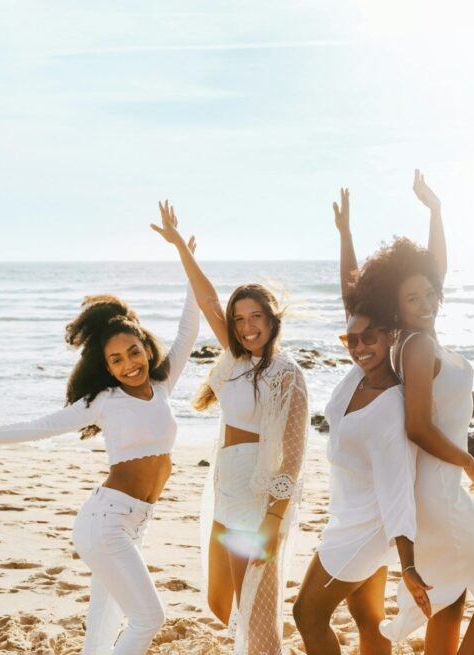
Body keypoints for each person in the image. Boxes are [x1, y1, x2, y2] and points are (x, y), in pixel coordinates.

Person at [0, 211, 200, 655]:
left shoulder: (163, 385)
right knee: (150, 618)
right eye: (116, 360)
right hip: (105, 522)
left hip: (132, 524)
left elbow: (190, 327)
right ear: (105, 367)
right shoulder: (104, 402)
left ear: (146, 348)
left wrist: (185, 256)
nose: (130, 363)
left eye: (134, 352)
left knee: (103, 626)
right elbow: (38, 428)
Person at [345, 171, 474, 654]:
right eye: (412, 298)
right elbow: (417, 425)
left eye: (430, 294)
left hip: (436, 487)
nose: (425, 303)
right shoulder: (418, 346)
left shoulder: (416, 336)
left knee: (450, 597)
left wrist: (437, 213)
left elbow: (432, 271)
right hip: (440, 490)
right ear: (395, 305)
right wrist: (466, 461)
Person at [151, 201, 309, 655]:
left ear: (272, 318)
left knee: (256, 607)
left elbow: (295, 455)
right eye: (239, 319)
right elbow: (206, 299)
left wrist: (274, 519)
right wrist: (180, 245)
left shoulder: (287, 373)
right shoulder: (238, 361)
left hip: (257, 496)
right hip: (224, 486)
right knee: (221, 601)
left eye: (255, 316)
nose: (246, 326)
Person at [294, 188, 431, 654]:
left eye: (368, 337)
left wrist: (409, 566)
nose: (358, 346)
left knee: (307, 614)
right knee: (367, 618)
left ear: (388, 334)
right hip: (348, 515)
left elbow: (397, 492)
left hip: (365, 527)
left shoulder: (389, 407)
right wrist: (345, 236)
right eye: (349, 339)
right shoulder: (360, 375)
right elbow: (352, 300)